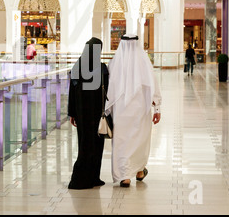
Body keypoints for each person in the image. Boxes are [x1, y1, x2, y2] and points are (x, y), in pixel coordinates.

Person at [105, 34, 161, 187]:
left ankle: (125, 176)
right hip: (140, 110)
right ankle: (139, 171)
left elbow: (109, 89)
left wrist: (107, 110)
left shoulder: (114, 63)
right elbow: (153, 85)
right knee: (139, 139)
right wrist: (157, 108)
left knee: (122, 142)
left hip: (121, 111)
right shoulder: (144, 62)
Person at [67, 37, 108, 189]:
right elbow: (107, 92)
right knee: (96, 145)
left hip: (81, 114)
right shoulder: (102, 68)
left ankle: (88, 178)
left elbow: (71, 91)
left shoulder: (77, 67)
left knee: (84, 144)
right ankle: (91, 178)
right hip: (97, 114)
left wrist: (72, 113)